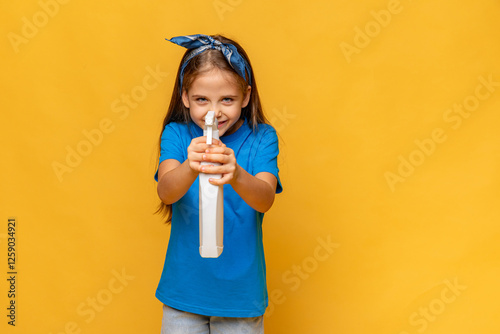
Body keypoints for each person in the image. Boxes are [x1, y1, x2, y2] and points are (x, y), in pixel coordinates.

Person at [154, 34, 283, 334]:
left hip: (239, 298)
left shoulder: (263, 137)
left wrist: (236, 174)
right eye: (202, 100)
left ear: (246, 96)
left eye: (227, 99)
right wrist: (190, 166)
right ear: (185, 97)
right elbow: (166, 191)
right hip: (183, 295)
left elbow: (265, 198)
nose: (214, 112)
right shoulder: (176, 134)